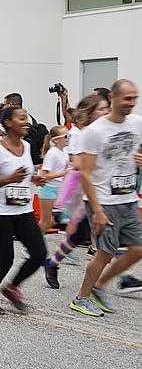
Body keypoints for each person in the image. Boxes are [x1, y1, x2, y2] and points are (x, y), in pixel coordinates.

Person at [71, 79, 142, 317]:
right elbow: (85, 173)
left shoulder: (136, 123)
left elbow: (137, 151)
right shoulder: (95, 131)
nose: (131, 103)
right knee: (105, 252)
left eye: (134, 98)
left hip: (128, 198)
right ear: (113, 98)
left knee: (138, 249)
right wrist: (97, 210)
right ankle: (81, 297)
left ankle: (99, 287)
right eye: (127, 98)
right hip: (103, 201)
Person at [0, 106, 47, 315]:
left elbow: (22, 173)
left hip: (22, 210)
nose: (26, 122)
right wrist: (9, 179)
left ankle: (11, 287)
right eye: (22, 118)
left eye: (26, 118)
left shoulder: (25, 146)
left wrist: (33, 178)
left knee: (39, 253)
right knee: (5, 258)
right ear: (8, 123)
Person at [42, 94, 110, 289]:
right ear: (89, 114)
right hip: (83, 190)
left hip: (100, 188)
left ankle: (53, 262)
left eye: (107, 108)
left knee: (84, 234)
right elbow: (78, 165)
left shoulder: (104, 131)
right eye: (102, 109)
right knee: (101, 233)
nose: (107, 112)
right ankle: (123, 277)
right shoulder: (80, 135)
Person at [36, 126, 70, 233]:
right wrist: (64, 173)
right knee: (45, 221)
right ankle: (31, 244)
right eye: (66, 136)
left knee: (63, 215)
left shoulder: (64, 152)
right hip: (48, 189)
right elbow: (43, 175)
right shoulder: (52, 153)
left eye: (69, 135)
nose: (69, 138)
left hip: (59, 188)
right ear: (56, 140)